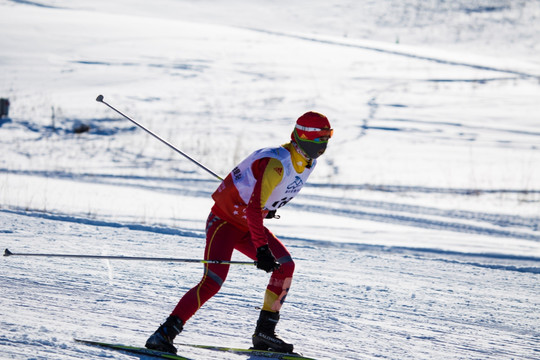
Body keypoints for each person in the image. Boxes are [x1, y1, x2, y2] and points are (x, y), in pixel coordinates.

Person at [145, 111, 333, 354]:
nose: (323, 146)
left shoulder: (307, 161)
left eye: (327, 139)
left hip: (247, 224)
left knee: (286, 266)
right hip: (224, 222)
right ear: (305, 137)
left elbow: (260, 200)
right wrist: (262, 248)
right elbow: (254, 209)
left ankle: (265, 333)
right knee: (213, 281)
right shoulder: (276, 163)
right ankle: (163, 335)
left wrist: (267, 208)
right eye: (320, 140)